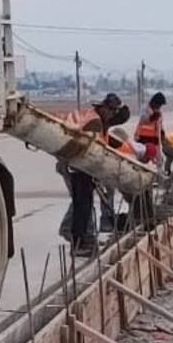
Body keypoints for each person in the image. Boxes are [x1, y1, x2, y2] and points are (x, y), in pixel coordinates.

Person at [58, 93, 129, 251]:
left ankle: (82, 238)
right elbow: (90, 149)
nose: (112, 114)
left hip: (83, 167)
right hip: (78, 166)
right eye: (111, 110)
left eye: (114, 112)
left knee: (83, 203)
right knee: (82, 205)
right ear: (103, 107)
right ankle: (78, 240)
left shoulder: (102, 122)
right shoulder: (95, 122)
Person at [134, 92, 166, 166]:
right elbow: (143, 119)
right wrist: (153, 116)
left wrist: (162, 133)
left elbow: (160, 124)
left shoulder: (159, 112)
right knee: (142, 159)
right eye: (159, 104)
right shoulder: (145, 109)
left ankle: (159, 175)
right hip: (142, 138)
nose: (160, 106)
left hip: (154, 139)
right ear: (154, 102)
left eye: (161, 105)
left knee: (159, 160)